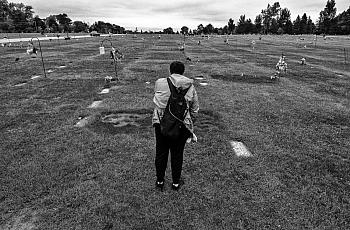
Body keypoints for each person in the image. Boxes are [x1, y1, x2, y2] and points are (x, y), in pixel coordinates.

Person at [152, 61, 199, 191]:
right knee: (177, 154)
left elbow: (157, 97)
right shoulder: (190, 86)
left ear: (170, 71)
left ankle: (160, 181)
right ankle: (176, 183)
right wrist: (190, 122)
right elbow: (195, 109)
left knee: (161, 152)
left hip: (160, 122)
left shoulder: (160, 82)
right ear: (183, 72)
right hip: (181, 124)